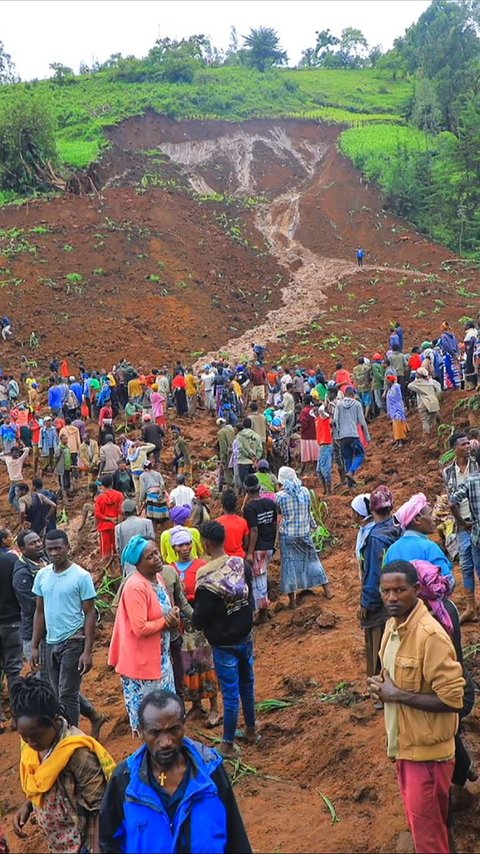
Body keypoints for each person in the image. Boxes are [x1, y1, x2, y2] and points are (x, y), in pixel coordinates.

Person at [368, 560, 464, 854]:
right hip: (406, 748)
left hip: (429, 758)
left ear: (417, 590)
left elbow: (453, 700)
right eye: (386, 591)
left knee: (428, 838)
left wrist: (396, 695)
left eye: (400, 590)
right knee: (428, 827)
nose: (392, 597)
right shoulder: (390, 628)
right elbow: (394, 678)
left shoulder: (430, 636)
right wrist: (382, 688)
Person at [99, 689, 252, 853]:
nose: (165, 742)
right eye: (155, 732)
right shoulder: (125, 780)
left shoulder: (211, 771)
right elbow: (108, 841)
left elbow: (235, 835)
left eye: (173, 730)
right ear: (141, 731)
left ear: (184, 725)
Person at [12, 675, 114, 853]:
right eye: (24, 737)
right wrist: (28, 806)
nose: (30, 743)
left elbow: (100, 804)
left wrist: (97, 848)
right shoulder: (31, 748)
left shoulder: (77, 752)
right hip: (58, 843)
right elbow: (39, 783)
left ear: (53, 721)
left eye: (36, 736)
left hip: (83, 843)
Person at [194, 521, 257, 758]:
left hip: (223, 643)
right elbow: (249, 594)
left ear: (206, 543)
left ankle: (228, 743)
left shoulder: (206, 575)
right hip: (245, 635)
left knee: (230, 693)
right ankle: (251, 730)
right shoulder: (241, 564)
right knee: (247, 684)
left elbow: (200, 619)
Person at [108, 536, 180, 735]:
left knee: (164, 715)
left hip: (160, 660)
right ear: (138, 564)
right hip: (142, 665)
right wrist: (166, 622)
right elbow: (140, 628)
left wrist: (172, 614)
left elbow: (162, 609)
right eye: (150, 557)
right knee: (151, 721)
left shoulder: (156, 578)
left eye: (156, 552)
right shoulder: (135, 587)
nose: (157, 558)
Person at [31, 530, 97, 727]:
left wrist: (87, 651)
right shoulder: (42, 576)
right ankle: (87, 721)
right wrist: (35, 646)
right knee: (57, 691)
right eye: (49, 549)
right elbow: (39, 612)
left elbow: (90, 613)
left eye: (58, 548)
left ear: (68, 547)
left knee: (67, 695)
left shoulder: (81, 576)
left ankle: (71, 738)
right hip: (51, 642)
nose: (53, 553)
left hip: (74, 640)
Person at [167, 527, 220, 724]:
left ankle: (214, 706)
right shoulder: (169, 569)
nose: (185, 548)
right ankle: (196, 706)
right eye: (180, 545)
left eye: (188, 543)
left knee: (206, 662)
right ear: (174, 547)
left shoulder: (202, 565)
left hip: (200, 622)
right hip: (181, 626)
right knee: (187, 664)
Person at [276, 466, 332, 609]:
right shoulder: (305, 492)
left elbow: (279, 518)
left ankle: (292, 602)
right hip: (304, 532)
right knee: (313, 561)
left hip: (288, 536)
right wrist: (313, 526)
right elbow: (309, 512)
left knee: (289, 567)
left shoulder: (279, 497)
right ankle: (328, 591)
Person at [358, 485, 399, 678]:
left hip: (381, 601)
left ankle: (380, 689)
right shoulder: (398, 527)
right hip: (399, 594)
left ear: (372, 510)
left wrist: (366, 603)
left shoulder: (375, 537)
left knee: (378, 646)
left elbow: (373, 573)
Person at [443, 432, 479, 623]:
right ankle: (470, 607)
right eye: (462, 444)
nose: (466, 446)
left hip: (477, 521)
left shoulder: (477, 463)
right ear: (454, 448)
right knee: (466, 565)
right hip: (463, 524)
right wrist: (461, 523)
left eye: (468, 443)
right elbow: (451, 500)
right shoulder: (448, 472)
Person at [386, 493, 454, 585]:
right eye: (430, 514)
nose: (434, 518)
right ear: (417, 519)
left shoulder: (391, 550)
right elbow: (448, 582)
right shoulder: (429, 547)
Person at [244, 474, 278, 623]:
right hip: (269, 545)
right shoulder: (270, 503)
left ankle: (263, 613)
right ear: (259, 488)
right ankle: (264, 610)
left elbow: (254, 530)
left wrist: (250, 552)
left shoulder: (250, 507)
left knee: (259, 579)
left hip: (258, 548)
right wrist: (274, 543)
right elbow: (275, 524)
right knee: (263, 576)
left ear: (247, 490)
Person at [0, 542, 23, 730]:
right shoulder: (11, 559)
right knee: (13, 671)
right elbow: (20, 588)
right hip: (12, 622)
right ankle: (16, 717)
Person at [333, 386, 371, 487]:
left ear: (345, 394)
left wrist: (336, 436)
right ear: (353, 394)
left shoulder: (339, 405)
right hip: (353, 435)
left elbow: (335, 421)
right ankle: (351, 472)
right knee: (360, 455)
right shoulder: (357, 404)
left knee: (347, 458)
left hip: (342, 437)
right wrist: (367, 436)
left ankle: (350, 484)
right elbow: (362, 422)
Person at [115, 500, 155, 577]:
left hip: (129, 566)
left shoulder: (118, 528)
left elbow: (118, 548)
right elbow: (152, 541)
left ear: (123, 513)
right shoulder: (147, 523)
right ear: (136, 510)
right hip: (147, 563)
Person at [407, 367, 442, 440]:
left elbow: (409, 386)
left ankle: (427, 440)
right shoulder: (432, 382)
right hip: (433, 402)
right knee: (433, 419)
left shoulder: (417, 383)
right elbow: (439, 390)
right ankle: (437, 436)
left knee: (425, 421)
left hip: (424, 403)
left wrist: (417, 380)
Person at [94, 475, 124, 560]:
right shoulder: (119, 495)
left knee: (105, 553)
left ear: (102, 486)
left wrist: (98, 527)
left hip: (104, 527)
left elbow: (97, 514)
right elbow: (120, 512)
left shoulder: (99, 498)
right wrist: (118, 523)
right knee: (117, 550)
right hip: (116, 526)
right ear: (112, 483)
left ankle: (106, 570)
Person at [216, 489, 250, 557]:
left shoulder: (217, 522)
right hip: (239, 557)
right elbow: (246, 544)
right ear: (235, 505)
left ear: (222, 505)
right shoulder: (243, 522)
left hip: (223, 558)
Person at [0, 445, 31, 509]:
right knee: (10, 499)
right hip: (13, 482)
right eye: (15, 452)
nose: (17, 454)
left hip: (19, 482)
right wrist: (6, 453)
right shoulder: (7, 459)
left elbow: (27, 449)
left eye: (18, 453)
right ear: (11, 453)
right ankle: (21, 509)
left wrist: (20, 450)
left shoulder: (20, 460)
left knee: (17, 498)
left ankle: (22, 510)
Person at [235, 418, 263, 489]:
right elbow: (260, 449)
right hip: (254, 463)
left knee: (245, 485)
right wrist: (256, 459)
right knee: (253, 485)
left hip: (242, 462)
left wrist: (248, 456)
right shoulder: (257, 436)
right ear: (251, 426)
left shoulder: (239, 436)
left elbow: (240, 448)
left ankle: (245, 498)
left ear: (243, 426)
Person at [139, 460, 168, 525]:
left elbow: (143, 489)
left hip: (151, 496)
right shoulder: (158, 474)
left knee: (152, 516)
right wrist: (161, 492)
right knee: (161, 511)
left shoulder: (142, 476)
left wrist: (141, 499)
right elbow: (162, 484)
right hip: (159, 494)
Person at [313, 402, 334, 494]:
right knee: (319, 470)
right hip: (322, 446)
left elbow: (321, 410)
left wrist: (323, 404)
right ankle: (326, 489)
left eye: (316, 411)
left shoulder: (324, 418)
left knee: (325, 469)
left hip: (326, 445)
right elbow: (311, 412)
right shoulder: (317, 419)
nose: (316, 412)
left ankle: (329, 491)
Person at [385, 372, 409, 449]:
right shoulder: (391, 388)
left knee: (398, 425)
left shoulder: (395, 387)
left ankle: (400, 441)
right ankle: (398, 440)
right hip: (393, 410)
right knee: (395, 426)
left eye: (387, 381)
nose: (386, 382)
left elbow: (395, 398)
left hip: (397, 409)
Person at [217, 417, 235, 490]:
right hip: (235, 452)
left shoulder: (221, 433)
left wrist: (223, 460)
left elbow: (223, 447)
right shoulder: (231, 429)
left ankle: (232, 489)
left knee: (227, 471)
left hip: (228, 454)